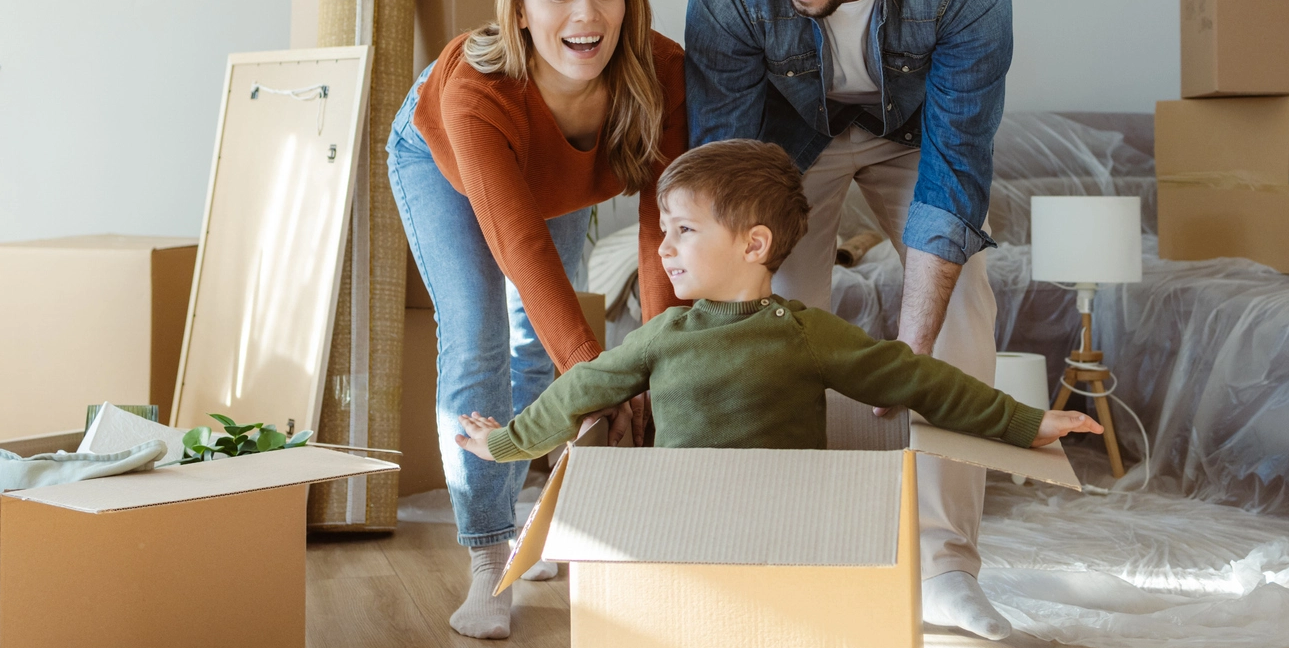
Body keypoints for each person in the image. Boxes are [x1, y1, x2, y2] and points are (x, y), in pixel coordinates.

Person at [685, 0, 1022, 639]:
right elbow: (726, 163)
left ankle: (944, 566)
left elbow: (956, 172)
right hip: (785, 142)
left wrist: (908, 357)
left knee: (958, 300)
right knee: (771, 314)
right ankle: (781, 543)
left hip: (912, 140)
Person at [387, 0, 687, 640]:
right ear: (519, 8)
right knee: (479, 333)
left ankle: (535, 524)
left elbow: (665, 227)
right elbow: (518, 245)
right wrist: (596, 376)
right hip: (446, 165)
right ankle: (488, 555)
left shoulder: (664, 73)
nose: (586, 14)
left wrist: (656, 359)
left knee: (538, 346)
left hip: (557, 181)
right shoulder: (476, 91)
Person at [456, 139, 1098, 465]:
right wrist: (509, 442)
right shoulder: (665, 333)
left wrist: (1026, 422)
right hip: (681, 524)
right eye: (663, 230)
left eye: (683, 230)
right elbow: (579, 391)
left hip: (787, 523)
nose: (662, 247)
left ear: (753, 243)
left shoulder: (807, 333)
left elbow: (920, 379)